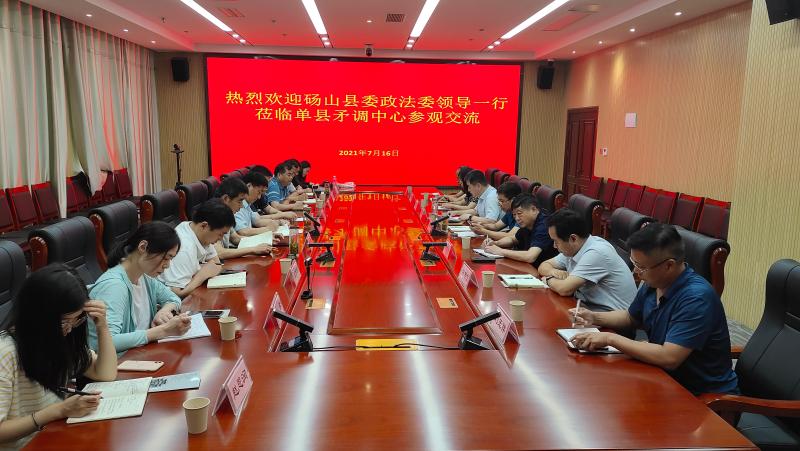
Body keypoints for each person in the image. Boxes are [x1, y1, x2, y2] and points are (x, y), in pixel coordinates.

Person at [570, 223, 739, 395]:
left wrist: (609, 338)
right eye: (634, 263)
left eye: (641, 267)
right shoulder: (655, 282)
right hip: (662, 378)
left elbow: (669, 357)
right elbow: (631, 318)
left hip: (702, 396)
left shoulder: (696, 298)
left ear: (669, 265)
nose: (636, 272)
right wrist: (594, 317)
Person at [0, 264, 117, 449]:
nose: (69, 329)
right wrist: (58, 411)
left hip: (55, 437)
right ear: (37, 315)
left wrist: (102, 326)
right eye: (63, 321)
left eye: (77, 319)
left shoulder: (60, 338)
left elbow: (105, 373)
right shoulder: (5, 353)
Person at [88, 222, 192, 354]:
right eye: (166, 258)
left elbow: (173, 298)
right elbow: (105, 343)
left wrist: (164, 311)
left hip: (142, 354)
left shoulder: (144, 277)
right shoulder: (114, 286)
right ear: (143, 247)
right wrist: (163, 330)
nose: (167, 265)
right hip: (121, 362)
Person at [538, 208, 636, 311]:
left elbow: (564, 289)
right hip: (588, 309)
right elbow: (543, 266)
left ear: (573, 239)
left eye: (556, 241)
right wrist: (554, 272)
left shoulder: (596, 252)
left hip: (611, 316)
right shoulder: (574, 248)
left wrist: (548, 279)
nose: (554, 246)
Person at [158, 199, 232, 298]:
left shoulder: (195, 230)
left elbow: (216, 264)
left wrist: (205, 270)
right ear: (204, 226)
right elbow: (177, 293)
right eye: (220, 234)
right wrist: (202, 275)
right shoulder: (184, 248)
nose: (221, 239)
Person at [483, 194, 557, 268]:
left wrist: (500, 251)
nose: (517, 218)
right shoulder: (527, 223)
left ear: (534, 209)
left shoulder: (545, 225)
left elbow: (530, 256)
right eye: (514, 215)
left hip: (542, 270)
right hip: (528, 267)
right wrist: (495, 243)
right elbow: (513, 239)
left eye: (519, 213)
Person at [213, 176, 272, 259]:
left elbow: (235, 238)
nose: (241, 206)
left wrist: (265, 240)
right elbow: (219, 252)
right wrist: (253, 249)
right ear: (226, 198)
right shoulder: (213, 215)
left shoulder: (225, 214)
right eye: (239, 201)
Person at [236, 172, 284, 236]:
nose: (259, 197)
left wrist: (277, 222)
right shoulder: (237, 204)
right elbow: (243, 232)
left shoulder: (247, 204)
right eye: (259, 192)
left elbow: (257, 220)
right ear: (249, 186)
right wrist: (268, 229)